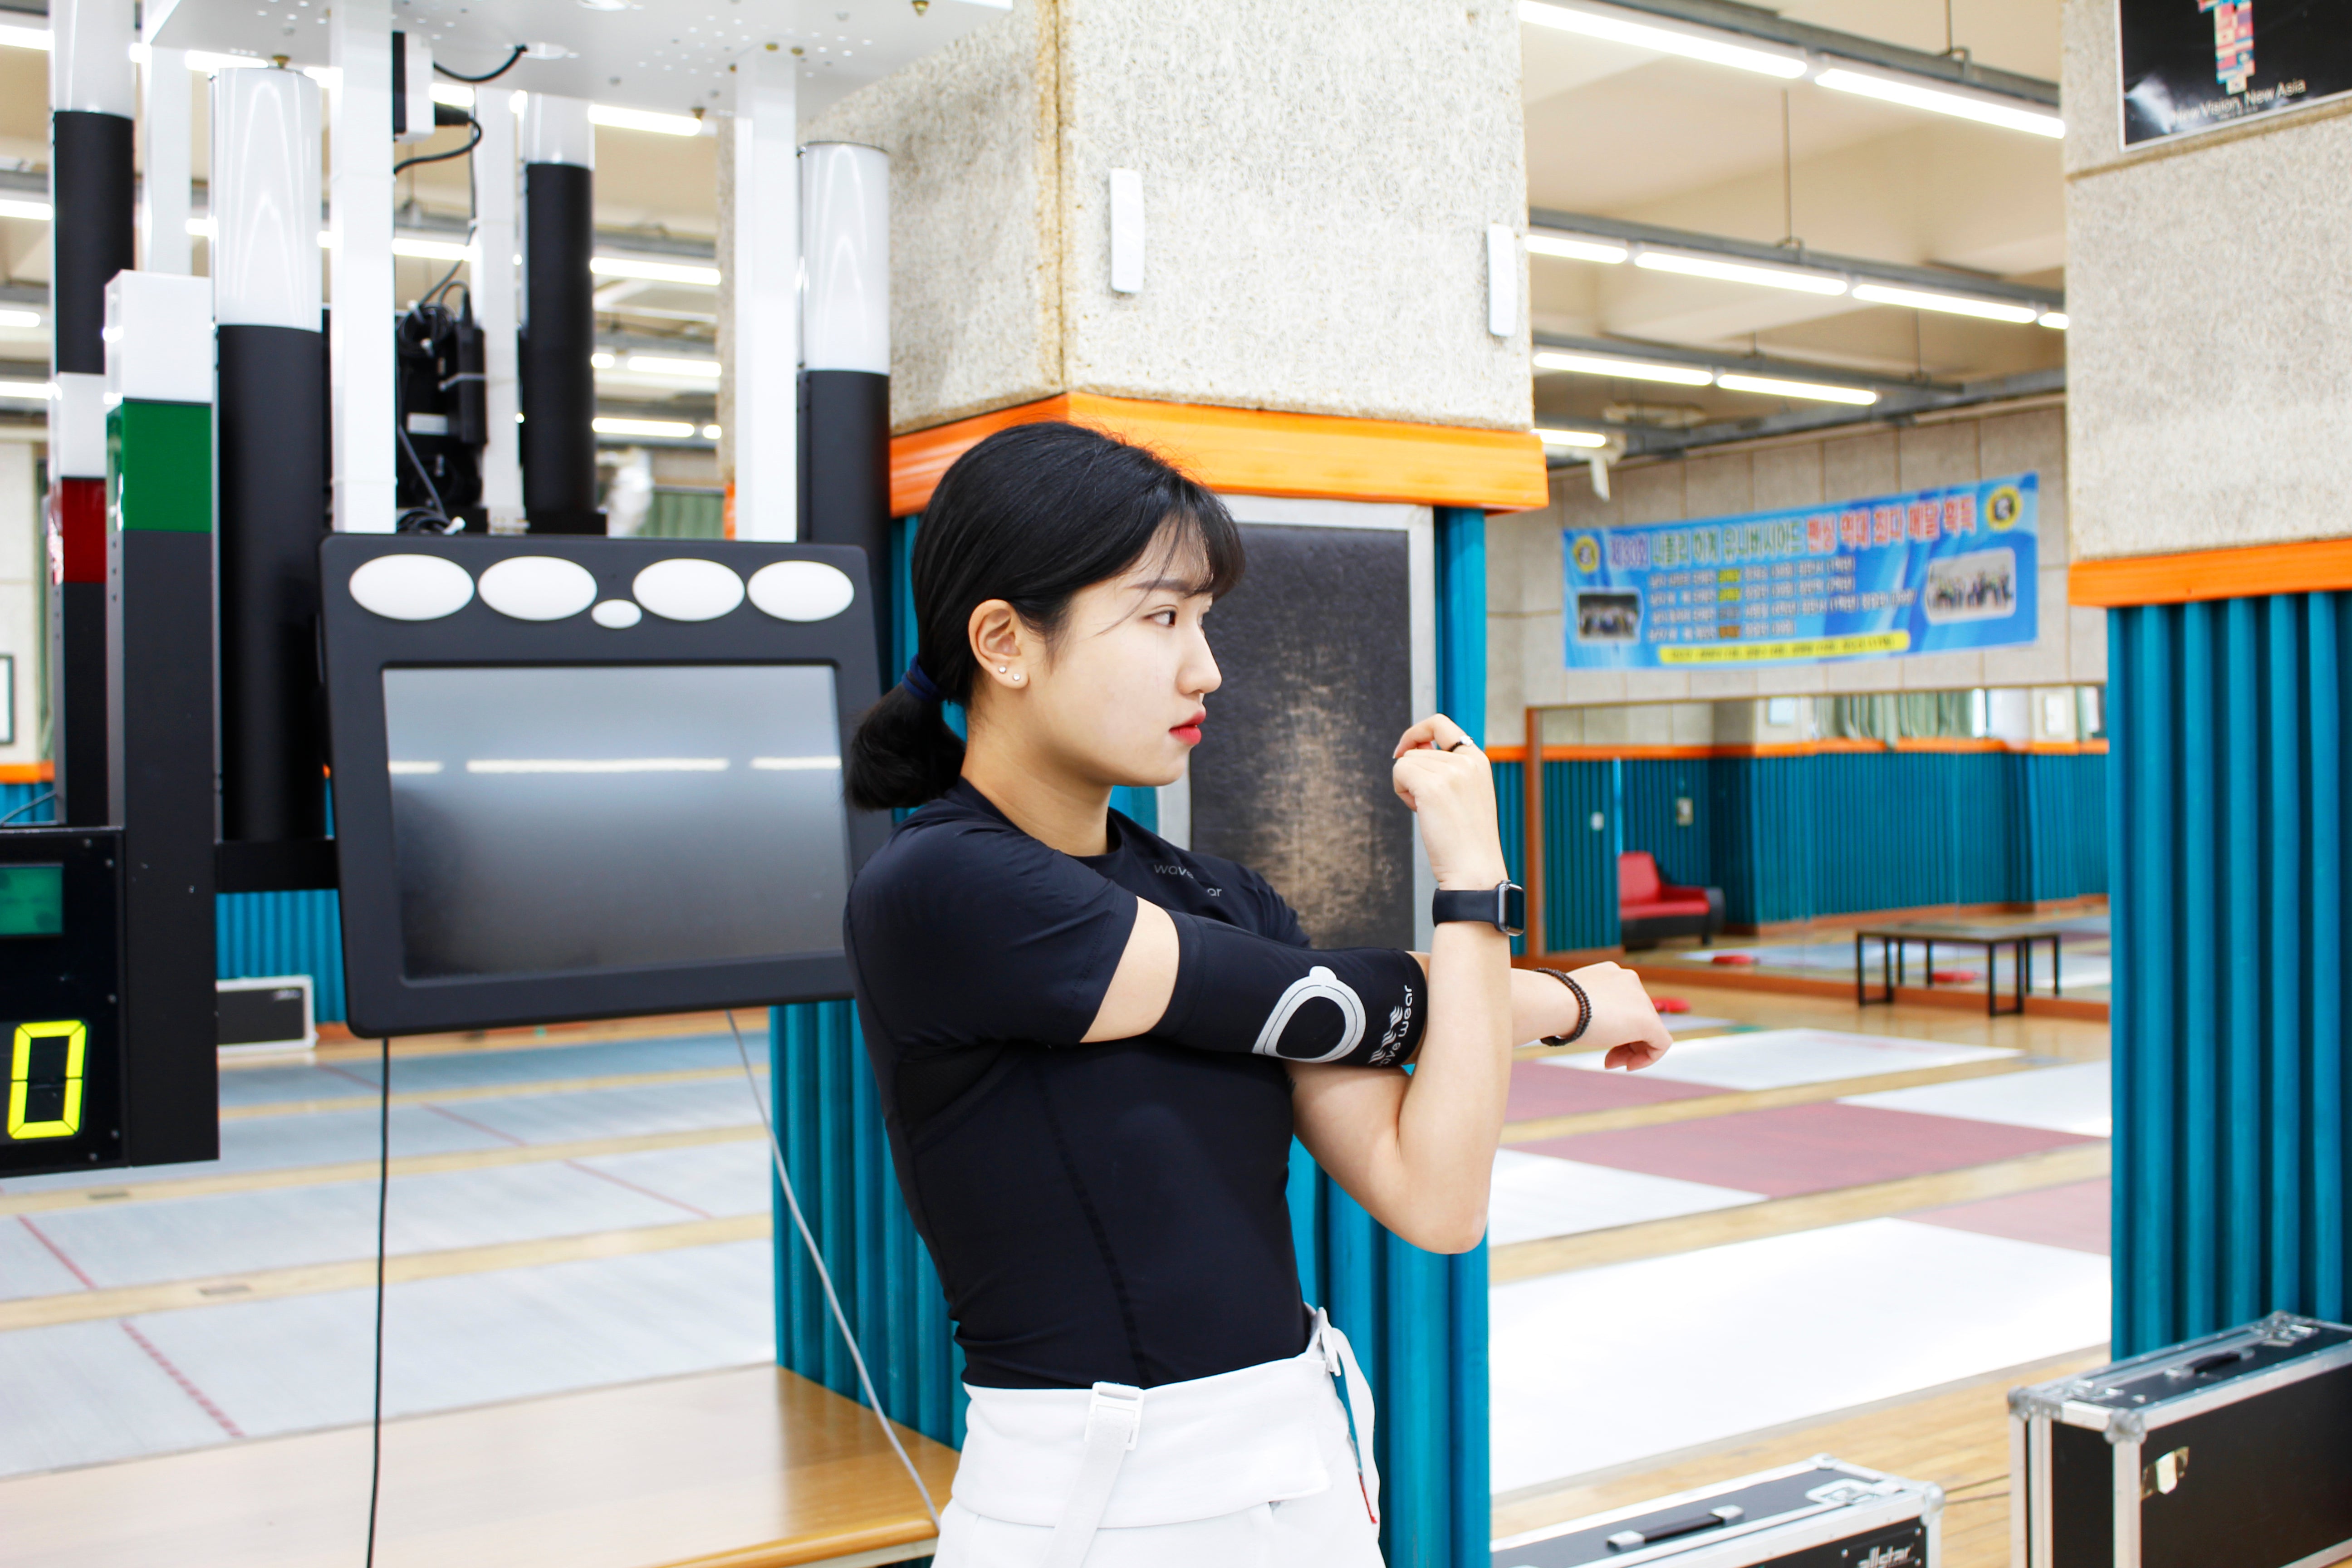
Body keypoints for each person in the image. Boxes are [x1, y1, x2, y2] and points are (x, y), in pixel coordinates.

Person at [843, 421, 1674, 1568]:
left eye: (1205, 621)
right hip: (1098, 1504)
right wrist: (1566, 1004)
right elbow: (1315, 1000)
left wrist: (1475, 881)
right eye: (1161, 617)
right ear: (1005, 641)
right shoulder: (944, 888)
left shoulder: (1221, 895)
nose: (1206, 669)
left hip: (1305, 1469)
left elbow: (1438, 1199)